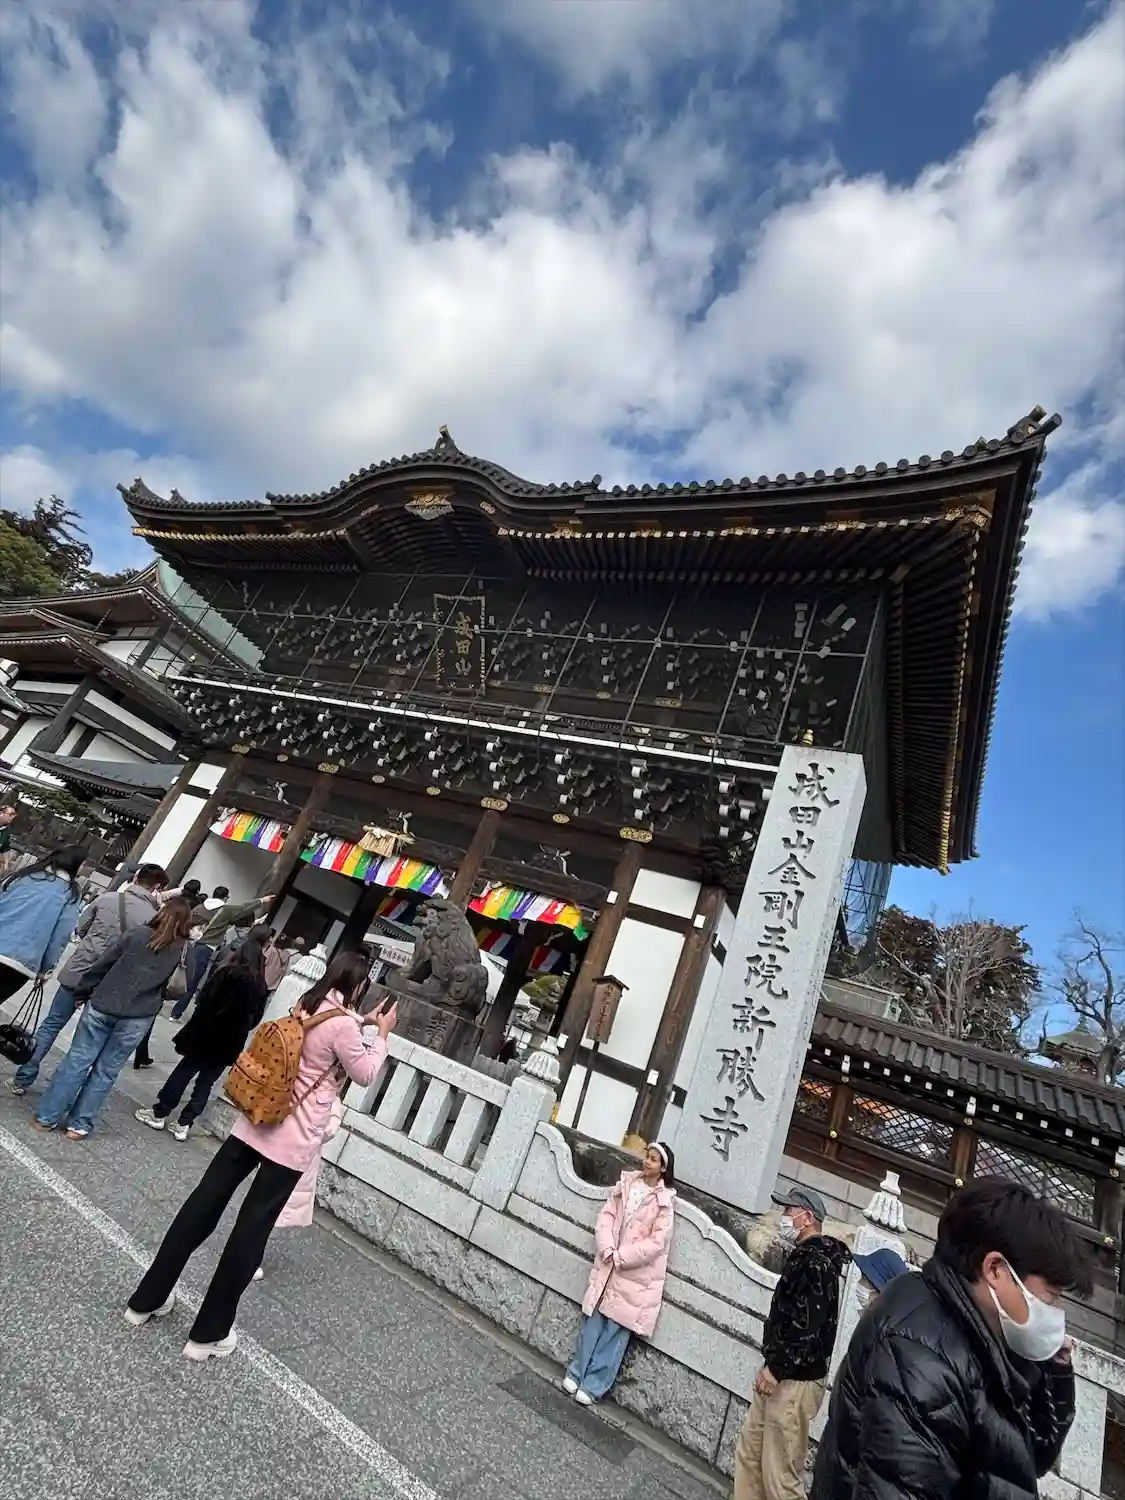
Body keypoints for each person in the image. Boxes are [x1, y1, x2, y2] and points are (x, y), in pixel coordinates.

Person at [125, 952, 397, 1361]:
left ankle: (146, 1300)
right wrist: (383, 1035)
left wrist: (363, 1020)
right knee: (251, 1230)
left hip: (255, 1119)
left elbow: (331, 1028)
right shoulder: (343, 1025)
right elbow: (365, 1073)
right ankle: (208, 1333)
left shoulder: (307, 1002)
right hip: (292, 1140)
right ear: (359, 985)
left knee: (203, 1204)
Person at [811, 1177, 1088, 1500]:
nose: (1055, 1311)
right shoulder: (917, 1358)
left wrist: (1053, 1369)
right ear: (995, 1270)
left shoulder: (986, 1337)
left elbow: (1026, 1457)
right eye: (1051, 1296)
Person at [33, 898, 193, 1139]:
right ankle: (79, 1124)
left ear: (162, 912)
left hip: (103, 1003)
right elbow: (178, 989)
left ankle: (47, 1116)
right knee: (107, 1071)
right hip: (139, 1015)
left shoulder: (137, 934)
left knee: (77, 1061)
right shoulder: (184, 951)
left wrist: (83, 992)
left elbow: (103, 964)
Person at [7, 861, 168, 1096]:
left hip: (79, 972)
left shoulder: (107, 899)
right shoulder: (155, 918)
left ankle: (23, 1078)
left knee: (51, 1024)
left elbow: (80, 929)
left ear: (135, 878)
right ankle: (60, 1088)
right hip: (110, 984)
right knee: (84, 1043)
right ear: (157, 887)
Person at [733, 1186, 850, 1500]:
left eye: (788, 1211)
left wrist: (776, 1368)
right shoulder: (805, 1256)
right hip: (777, 1370)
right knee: (750, 1454)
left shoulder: (818, 1263)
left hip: (794, 1379)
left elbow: (807, 1327)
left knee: (779, 1475)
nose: (783, 1217)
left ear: (807, 1217)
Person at [563, 1142, 677, 1407]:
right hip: (608, 1264)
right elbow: (607, 1215)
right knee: (592, 1323)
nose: (647, 1162)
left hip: (636, 1277)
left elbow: (656, 1243)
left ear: (663, 1168)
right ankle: (576, 1372)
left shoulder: (664, 1203)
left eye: (653, 1159)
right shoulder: (626, 1184)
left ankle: (593, 1386)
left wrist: (623, 1256)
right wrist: (606, 1246)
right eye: (647, 1156)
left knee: (615, 1333)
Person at [135, 924, 270, 1141]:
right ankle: (184, 1123)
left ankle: (160, 1113)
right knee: (206, 1082)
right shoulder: (260, 984)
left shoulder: (226, 972)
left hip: (206, 1033)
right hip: (231, 1041)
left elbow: (204, 999)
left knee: (184, 1072)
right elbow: (255, 1018)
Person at [0, 845, 88, 1006]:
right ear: (76, 863)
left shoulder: (24, 875)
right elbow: (60, 936)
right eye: (84, 863)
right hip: (21, 961)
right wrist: (46, 970)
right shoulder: (70, 893)